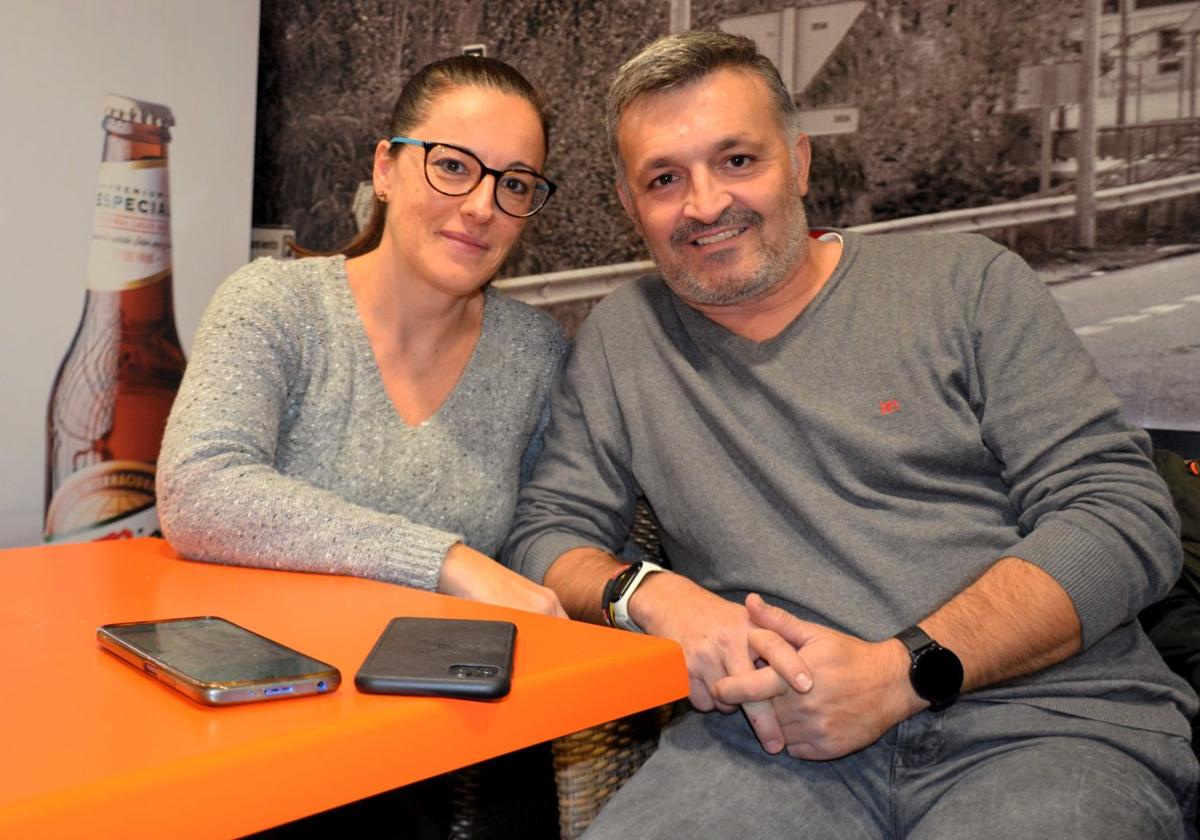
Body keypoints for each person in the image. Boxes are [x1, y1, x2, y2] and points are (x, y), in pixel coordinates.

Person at [503, 31, 1199, 837]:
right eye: (664, 178)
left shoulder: (966, 287)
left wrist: (900, 673)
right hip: (769, 745)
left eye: (737, 161)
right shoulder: (625, 342)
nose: (703, 204)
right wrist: (653, 595)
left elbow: (1122, 517)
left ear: (799, 164)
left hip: (1046, 728)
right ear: (630, 208)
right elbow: (545, 535)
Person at [158, 55, 565, 617]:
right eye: (452, 167)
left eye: (514, 184)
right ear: (385, 170)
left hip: (446, 692)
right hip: (263, 677)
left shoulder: (535, 354)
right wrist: (446, 562)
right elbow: (200, 488)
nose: (479, 207)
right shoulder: (277, 305)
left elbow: (551, 532)